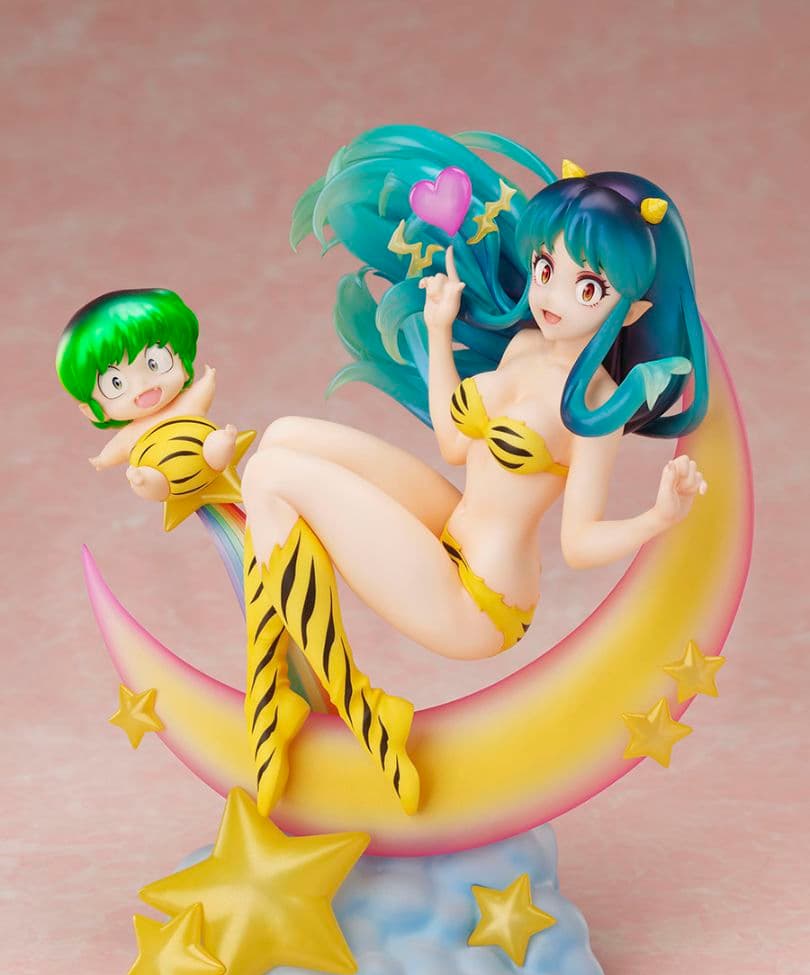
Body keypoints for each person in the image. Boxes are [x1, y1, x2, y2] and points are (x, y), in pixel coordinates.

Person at [240, 126, 709, 821]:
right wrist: (437, 331)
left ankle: (346, 702)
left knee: (271, 478)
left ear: (632, 307)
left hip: (479, 600)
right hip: (451, 526)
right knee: (282, 436)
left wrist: (659, 518)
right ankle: (281, 687)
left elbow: (579, 544)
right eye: (546, 268)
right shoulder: (523, 344)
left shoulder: (597, 405)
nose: (553, 295)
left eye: (587, 286)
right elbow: (456, 446)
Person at [56, 289, 249, 528]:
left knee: (214, 443)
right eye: (116, 383)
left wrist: (208, 379)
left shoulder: (185, 406)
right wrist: (102, 460)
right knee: (148, 480)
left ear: (184, 363)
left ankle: (221, 445)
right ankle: (145, 480)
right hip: (168, 481)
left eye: (154, 362)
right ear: (93, 410)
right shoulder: (132, 434)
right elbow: (116, 449)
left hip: (208, 460)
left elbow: (201, 393)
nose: (143, 384)